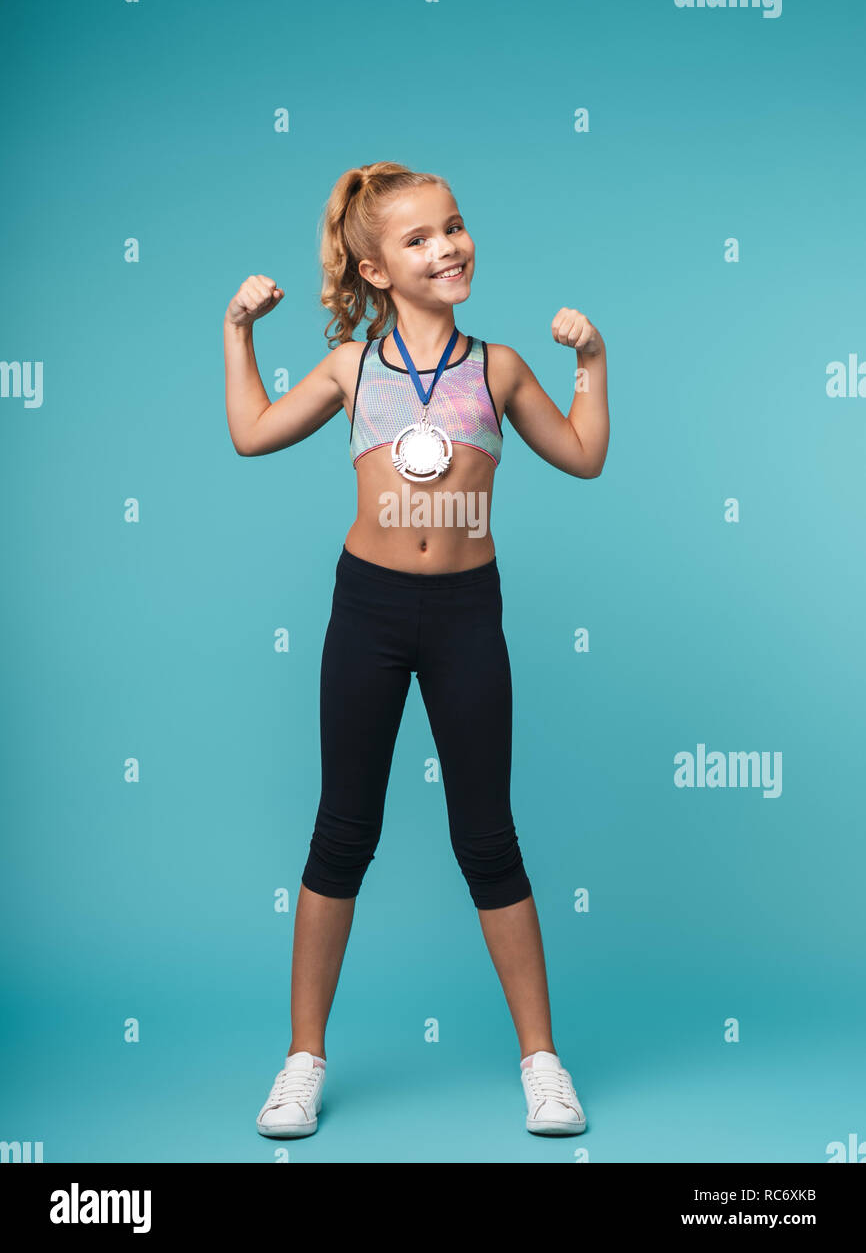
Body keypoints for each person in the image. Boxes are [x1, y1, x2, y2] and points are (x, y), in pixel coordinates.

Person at [222, 161, 610, 1140]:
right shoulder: (356, 368)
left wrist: (592, 364)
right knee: (341, 829)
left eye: (454, 226)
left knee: (487, 835)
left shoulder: (499, 365)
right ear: (373, 269)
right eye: (417, 239)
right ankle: (302, 1059)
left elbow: (582, 455)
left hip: (465, 613)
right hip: (370, 608)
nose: (446, 246)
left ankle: (542, 1064)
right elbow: (251, 432)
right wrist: (239, 335)